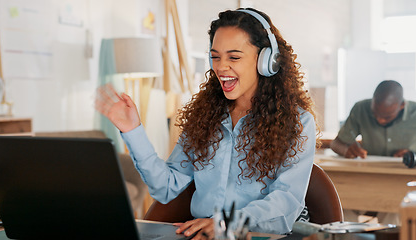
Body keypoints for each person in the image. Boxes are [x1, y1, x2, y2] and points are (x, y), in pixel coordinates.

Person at [95, 8, 318, 239]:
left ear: (266, 61)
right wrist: (132, 129)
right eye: (215, 56)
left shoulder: (298, 123)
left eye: (234, 57)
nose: (221, 67)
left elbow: (286, 201)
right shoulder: (205, 116)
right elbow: (166, 187)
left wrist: (226, 223)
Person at [330, 80, 416, 159]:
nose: (380, 120)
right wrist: (346, 151)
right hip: (371, 172)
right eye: (375, 113)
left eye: (387, 117)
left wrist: (415, 155)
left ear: (402, 105)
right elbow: (336, 143)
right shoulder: (361, 108)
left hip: (410, 174)